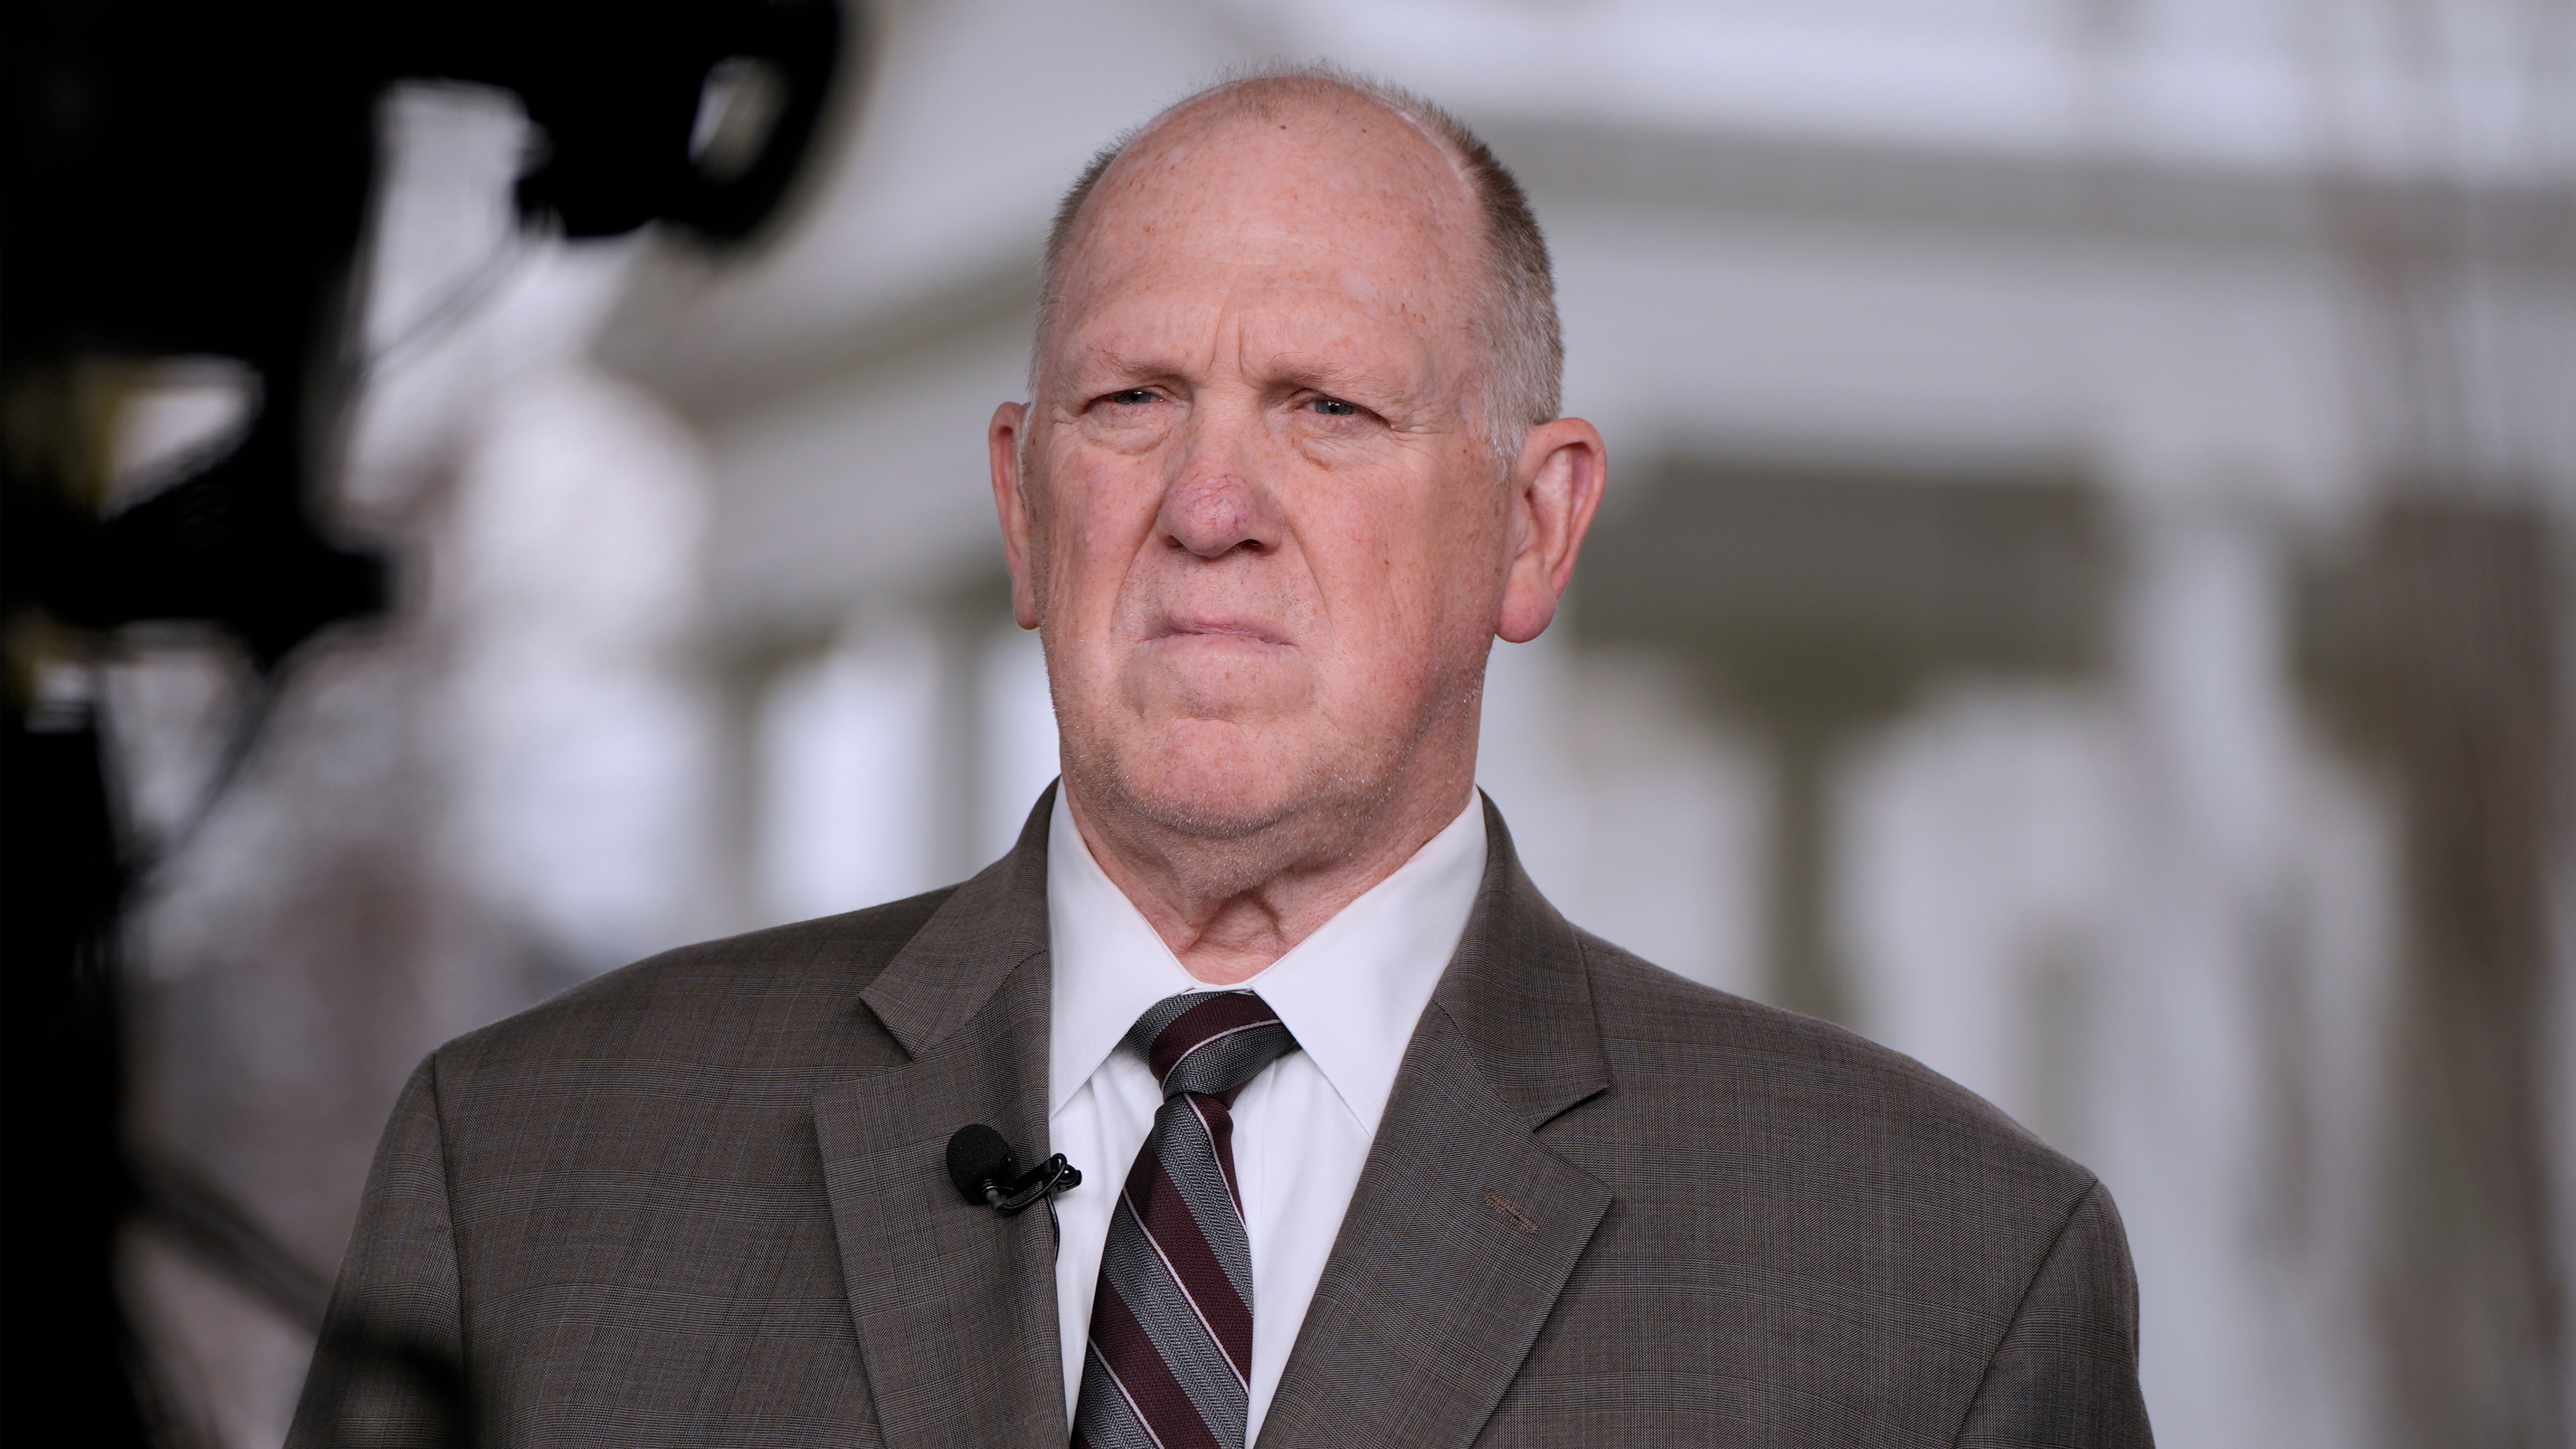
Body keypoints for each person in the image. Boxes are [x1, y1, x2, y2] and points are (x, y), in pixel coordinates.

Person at [290, 67, 2151, 1449]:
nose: (1208, 504)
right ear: (1024, 509)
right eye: (1131, 404)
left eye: (1328, 409)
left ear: (1535, 524)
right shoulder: (524, 1178)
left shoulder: (1947, 1281)